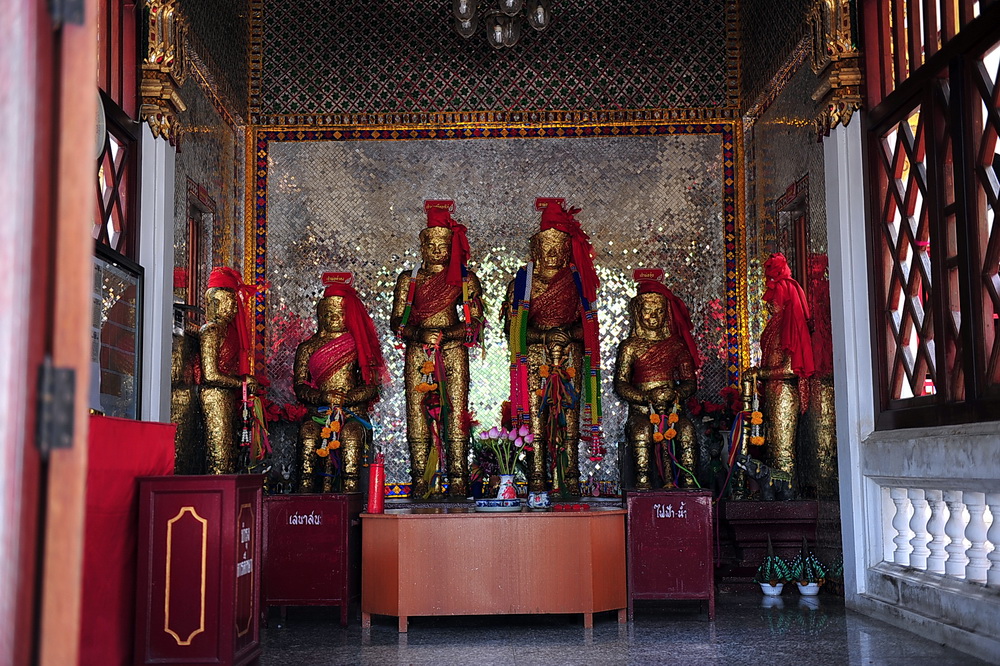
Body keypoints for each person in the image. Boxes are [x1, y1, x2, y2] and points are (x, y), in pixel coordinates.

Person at [503, 198, 603, 495]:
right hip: (535, 357)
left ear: (566, 251)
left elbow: (589, 328)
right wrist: (545, 337)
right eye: (545, 248)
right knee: (536, 417)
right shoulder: (523, 283)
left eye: (557, 248)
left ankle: (570, 476)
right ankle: (536, 476)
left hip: (569, 355)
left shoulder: (578, 283)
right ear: (535, 250)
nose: (550, 254)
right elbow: (512, 330)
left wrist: (567, 333)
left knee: (569, 417)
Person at [390, 201, 484, 498]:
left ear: (451, 246)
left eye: (442, 245)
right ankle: (421, 478)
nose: (436, 250)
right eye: (430, 245)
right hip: (419, 350)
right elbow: (396, 322)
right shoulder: (409, 279)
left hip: (452, 350)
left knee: (455, 413)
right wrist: (419, 333)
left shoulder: (465, 279)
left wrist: (446, 334)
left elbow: (476, 322)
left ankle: (458, 477)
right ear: (421, 247)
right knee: (417, 412)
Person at [293, 276, 387, 493]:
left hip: (353, 414)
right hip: (319, 413)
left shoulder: (360, 346)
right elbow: (300, 386)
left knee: (351, 436)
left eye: (339, 313)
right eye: (328, 313)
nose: (333, 318)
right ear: (320, 315)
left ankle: (350, 496)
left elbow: (372, 385)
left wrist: (346, 399)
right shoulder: (307, 347)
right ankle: (305, 498)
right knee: (308, 434)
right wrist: (322, 397)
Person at [613, 278, 701, 489]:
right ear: (638, 313)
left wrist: (674, 394)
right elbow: (621, 384)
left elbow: (690, 382)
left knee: (686, 430)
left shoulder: (677, 345)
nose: (653, 316)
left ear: (666, 314)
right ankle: (643, 482)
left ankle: (689, 482)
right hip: (642, 411)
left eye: (659, 311)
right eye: (648, 311)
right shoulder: (629, 346)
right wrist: (646, 397)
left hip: (673, 411)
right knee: (641, 431)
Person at [747, 253, 815, 487]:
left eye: (773, 297)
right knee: (773, 448)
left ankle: (786, 491)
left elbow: (790, 368)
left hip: (784, 393)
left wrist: (760, 374)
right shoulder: (776, 324)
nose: (768, 302)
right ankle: (775, 491)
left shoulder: (790, 322)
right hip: (773, 393)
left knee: (783, 450)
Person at [199, 267, 257, 474]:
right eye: (229, 302)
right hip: (214, 397)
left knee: (232, 451)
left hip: (227, 395)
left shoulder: (228, 331)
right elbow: (210, 375)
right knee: (220, 453)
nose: (233, 308)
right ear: (215, 302)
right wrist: (242, 383)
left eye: (235, 302)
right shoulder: (211, 330)